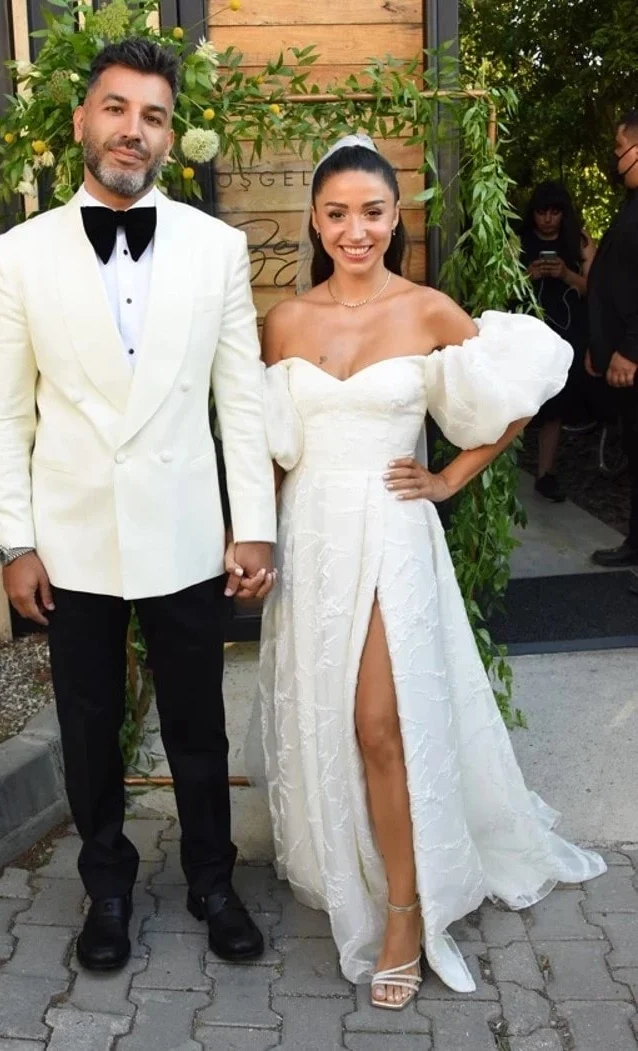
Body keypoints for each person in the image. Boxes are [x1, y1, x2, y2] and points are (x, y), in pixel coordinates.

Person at [253, 135, 605, 1009]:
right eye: (337, 213)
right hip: (312, 537)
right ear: (315, 220)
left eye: (372, 212)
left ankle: (406, 913)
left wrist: (448, 477)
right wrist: (253, 540)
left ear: (395, 217)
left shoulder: (427, 310)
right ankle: (355, 862)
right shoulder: (285, 321)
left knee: (380, 721)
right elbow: (268, 449)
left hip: (392, 533)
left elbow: (524, 383)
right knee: (331, 716)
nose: (355, 230)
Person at [0, 39, 277, 973]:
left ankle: (212, 879)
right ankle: (106, 886)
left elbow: (242, 395)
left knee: (197, 722)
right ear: (82, 120)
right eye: (116, 108)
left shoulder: (217, 248)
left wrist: (254, 524)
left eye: (153, 116)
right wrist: (14, 541)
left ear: (169, 136)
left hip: (184, 528)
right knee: (88, 723)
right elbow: (3, 410)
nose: (132, 130)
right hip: (73, 539)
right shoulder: (18, 255)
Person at [519, 182, 595, 502]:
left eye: (554, 212)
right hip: (526, 329)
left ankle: (545, 474)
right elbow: (500, 286)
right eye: (542, 212)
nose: (548, 219)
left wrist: (565, 274)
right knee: (519, 398)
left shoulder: (579, 241)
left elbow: (597, 288)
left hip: (567, 331)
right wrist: (529, 275)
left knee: (556, 404)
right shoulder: (518, 240)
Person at [587, 109, 638, 569]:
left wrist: (629, 351)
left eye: (620, 149)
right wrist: (600, 345)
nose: (615, 158)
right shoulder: (631, 204)